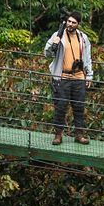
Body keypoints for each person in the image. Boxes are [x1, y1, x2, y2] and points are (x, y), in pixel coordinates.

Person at [43, 11, 93, 145]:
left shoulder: (83, 37)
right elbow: (47, 54)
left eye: (73, 22)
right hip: (62, 77)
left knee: (79, 107)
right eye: (69, 21)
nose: (70, 24)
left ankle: (79, 135)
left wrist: (89, 75)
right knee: (60, 107)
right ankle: (58, 135)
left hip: (79, 77)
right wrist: (53, 44)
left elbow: (87, 57)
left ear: (78, 24)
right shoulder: (58, 35)